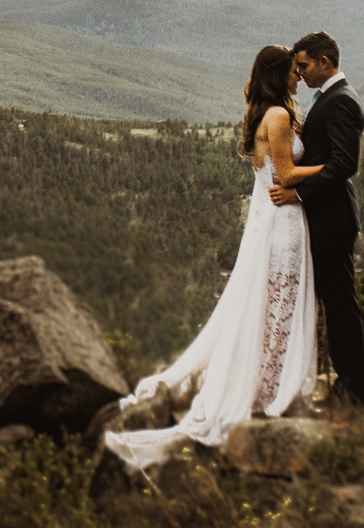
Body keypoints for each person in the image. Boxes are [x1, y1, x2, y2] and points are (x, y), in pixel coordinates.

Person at [103, 45, 320, 472]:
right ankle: (269, 388)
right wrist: (333, 167)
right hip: (284, 224)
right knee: (280, 305)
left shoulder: (268, 114)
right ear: (279, 75)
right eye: (294, 72)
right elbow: (288, 174)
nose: (299, 78)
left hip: (276, 219)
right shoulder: (277, 117)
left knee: (275, 305)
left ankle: (265, 383)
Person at [270, 31, 364, 407]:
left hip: (333, 220)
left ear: (325, 63)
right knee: (334, 304)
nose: (300, 71)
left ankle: (354, 393)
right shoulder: (330, 98)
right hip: (325, 219)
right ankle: (344, 387)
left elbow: (346, 163)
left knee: (341, 307)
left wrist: (298, 192)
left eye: (305, 64)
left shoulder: (340, 101)